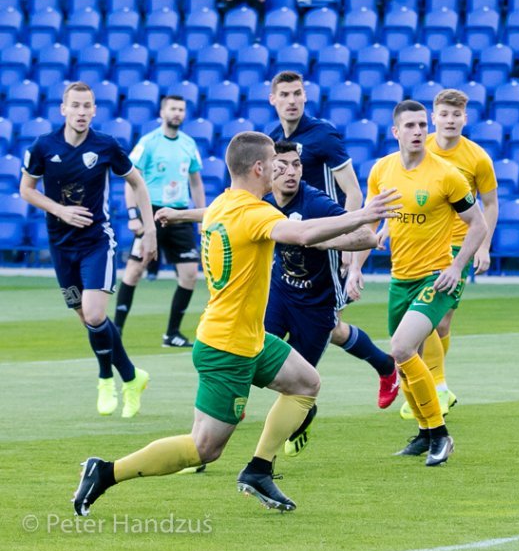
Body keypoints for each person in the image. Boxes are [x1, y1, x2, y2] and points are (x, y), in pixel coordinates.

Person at [71, 131, 401, 517]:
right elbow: (302, 233)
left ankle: (259, 470)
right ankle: (106, 472)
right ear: (259, 168)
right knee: (203, 448)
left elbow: (285, 230)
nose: (280, 173)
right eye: (275, 166)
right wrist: (362, 213)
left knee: (306, 382)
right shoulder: (255, 213)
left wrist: (178, 214)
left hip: (248, 338)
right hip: (227, 348)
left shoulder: (224, 205)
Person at [157, 140, 399, 462]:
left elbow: (366, 237)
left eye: (296, 165)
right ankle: (226, 443)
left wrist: (326, 240)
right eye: (280, 164)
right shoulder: (261, 200)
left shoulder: (315, 203)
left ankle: (378, 369)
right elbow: (222, 210)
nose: (287, 171)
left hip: (316, 301)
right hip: (280, 293)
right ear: (266, 169)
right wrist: (179, 215)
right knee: (249, 354)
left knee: (305, 379)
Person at [349, 100, 487, 466]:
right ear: (395, 132)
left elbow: (479, 224)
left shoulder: (446, 175)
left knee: (401, 347)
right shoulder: (381, 170)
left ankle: (441, 435)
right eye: (409, 126)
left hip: (437, 277)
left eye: (422, 125)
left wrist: (457, 267)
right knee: (407, 357)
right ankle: (425, 434)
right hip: (401, 279)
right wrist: (355, 269)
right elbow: (371, 224)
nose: (417, 131)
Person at [19, 82, 156, 418]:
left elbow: (137, 182)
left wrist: (149, 229)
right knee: (88, 320)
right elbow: (26, 189)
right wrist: (60, 210)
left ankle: (105, 378)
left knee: (95, 314)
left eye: (87, 106)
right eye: (75, 106)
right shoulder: (43, 146)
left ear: (95, 110)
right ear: (63, 109)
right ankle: (132, 376)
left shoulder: (106, 146)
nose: (81, 112)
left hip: (97, 241)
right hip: (61, 245)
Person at [268, 71, 400, 409]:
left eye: (297, 93)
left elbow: (353, 192)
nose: (292, 100)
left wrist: (346, 253)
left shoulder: (322, 135)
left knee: (326, 326)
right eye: (284, 94)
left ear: (306, 97)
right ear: (273, 99)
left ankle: (301, 404)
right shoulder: (271, 142)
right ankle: (385, 365)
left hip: (324, 241)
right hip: (291, 241)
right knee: (331, 328)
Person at [389, 88, 497, 420]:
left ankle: (435, 384)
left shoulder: (476, 158)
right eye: (444, 115)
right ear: (434, 117)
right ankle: (433, 385)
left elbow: (489, 205)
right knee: (426, 324)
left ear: (466, 118)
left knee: (441, 320)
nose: (450, 121)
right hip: (420, 242)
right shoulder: (419, 147)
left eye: (456, 115)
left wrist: (484, 246)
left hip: (457, 244)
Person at [114, 96, 205, 348]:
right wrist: (134, 215)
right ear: (163, 112)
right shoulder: (148, 142)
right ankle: (116, 332)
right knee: (134, 271)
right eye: (173, 109)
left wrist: (201, 215)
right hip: (151, 213)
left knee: (189, 274)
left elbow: (196, 182)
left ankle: (172, 334)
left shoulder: (188, 144)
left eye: (181, 109)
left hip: (180, 214)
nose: (177, 113)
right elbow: (132, 180)